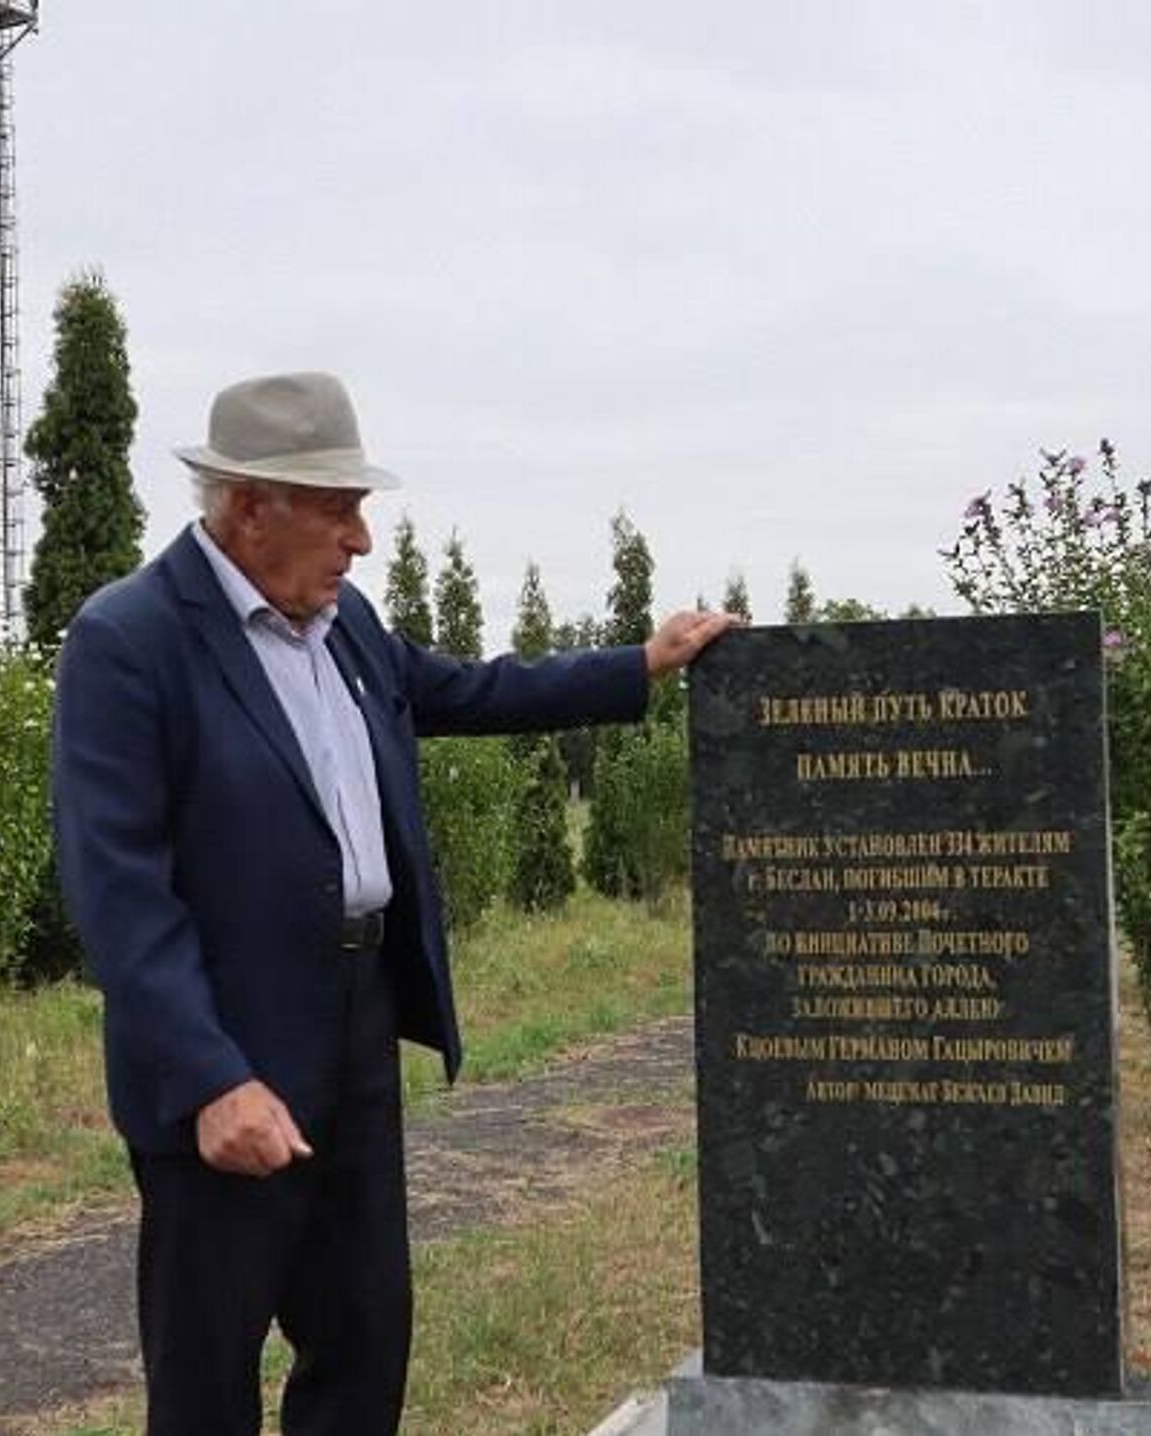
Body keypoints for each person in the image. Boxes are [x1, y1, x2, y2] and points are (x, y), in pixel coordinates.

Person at [50, 371, 731, 1436]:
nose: (360, 540)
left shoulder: (345, 623)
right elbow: (120, 892)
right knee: (206, 1372)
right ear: (249, 506)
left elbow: (469, 690)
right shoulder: (131, 640)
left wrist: (641, 663)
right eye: (338, 509)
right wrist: (211, 1079)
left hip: (355, 1026)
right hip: (228, 1049)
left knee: (364, 1341)